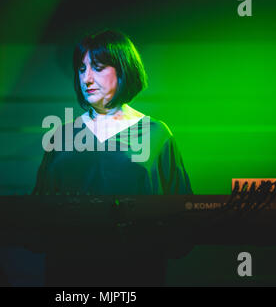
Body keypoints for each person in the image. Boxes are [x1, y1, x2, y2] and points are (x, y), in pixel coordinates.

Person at [33, 30, 192, 286]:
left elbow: (182, 218)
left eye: (98, 67)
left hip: (136, 272)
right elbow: (38, 215)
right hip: (69, 273)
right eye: (82, 68)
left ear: (123, 69)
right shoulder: (60, 136)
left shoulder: (157, 134)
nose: (87, 78)